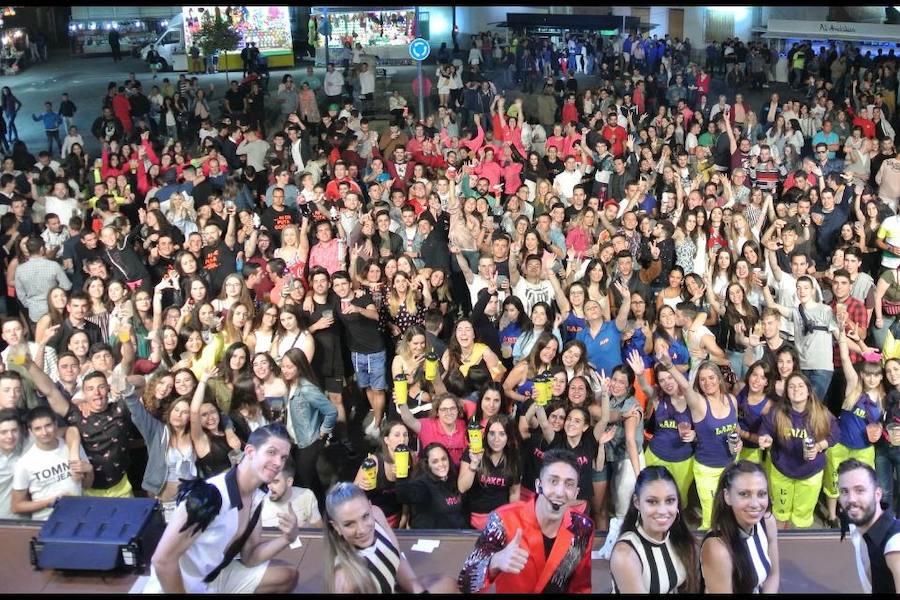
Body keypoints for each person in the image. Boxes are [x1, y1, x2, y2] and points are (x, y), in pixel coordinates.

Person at [143, 424, 300, 593]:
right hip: (175, 585)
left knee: (286, 575)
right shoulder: (209, 496)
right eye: (271, 452)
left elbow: (250, 557)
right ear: (250, 451)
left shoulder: (257, 497)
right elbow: (162, 561)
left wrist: (288, 538)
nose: (278, 462)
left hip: (213, 577)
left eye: (283, 457)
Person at [458, 448, 595, 593]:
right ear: (538, 485)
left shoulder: (582, 528)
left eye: (569, 484)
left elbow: (581, 587)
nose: (560, 492)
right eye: (553, 481)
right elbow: (465, 583)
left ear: (576, 493)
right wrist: (495, 562)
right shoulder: (504, 519)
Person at [323, 481, 458, 593]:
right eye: (349, 524)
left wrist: (417, 589)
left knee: (451, 585)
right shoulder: (346, 581)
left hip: (394, 587)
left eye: (365, 516)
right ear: (336, 527)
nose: (362, 529)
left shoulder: (377, 514)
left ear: (370, 507)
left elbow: (396, 557)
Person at [609, 466, 698, 593]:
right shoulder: (625, 553)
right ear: (637, 502)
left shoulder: (678, 537)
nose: (662, 511)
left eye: (670, 500)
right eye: (652, 502)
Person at [700, 460, 780, 593]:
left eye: (761, 494)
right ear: (727, 496)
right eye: (744, 494)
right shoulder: (718, 548)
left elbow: (773, 575)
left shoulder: (767, 522)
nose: (755, 504)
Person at [837, 458, 900, 594]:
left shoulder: (895, 545)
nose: (851, 499)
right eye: (844, 492)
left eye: (859, 490)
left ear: (878, 494)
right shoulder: (856, 530)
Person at [261, 460, 321, 529]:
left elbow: (320, 529)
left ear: (289, 482)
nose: (269, 486)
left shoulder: (306, 496)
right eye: (268, 480)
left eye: (275, 481)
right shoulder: (260, 501)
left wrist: (304, 526)